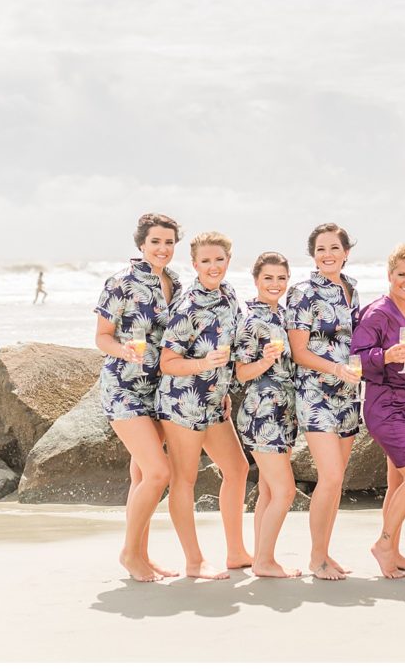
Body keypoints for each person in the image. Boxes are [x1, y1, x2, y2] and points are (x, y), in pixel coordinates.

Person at [157, 231, 252, 580]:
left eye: (219, 259)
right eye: (206, 261)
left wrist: (223, 384)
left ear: (228, 260)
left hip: (214, 401)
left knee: (238, 469)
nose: (213, 266)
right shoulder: (188, 307)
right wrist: (203, 365)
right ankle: (194, 561)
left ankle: (237, 551)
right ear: (195, 264)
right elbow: (168, 362)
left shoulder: (229, 295)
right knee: (185, 480)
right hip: (182, 402)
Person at [94, 213, 182, 582]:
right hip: (124, 387)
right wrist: (123, 351)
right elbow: (101, 336)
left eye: (169, 242)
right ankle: (129, 552)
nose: (162, 249)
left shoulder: (175, 283)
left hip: (158, 388)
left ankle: (142, 555)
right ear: (141, 245)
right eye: (156, 242)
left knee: (142, 473)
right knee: (160, 472)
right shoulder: (121, 283)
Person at [351, 244, 405, 579]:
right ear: (389, 276)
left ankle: (395, 550)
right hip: (386, 406)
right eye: (402, 274)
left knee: (397, 480)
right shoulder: (377, 313)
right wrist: (385, 356)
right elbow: (356, 359)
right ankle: (383, 544)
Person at [286, 222, 362, 580]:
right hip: (315, 392)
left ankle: (326, 554)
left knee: (338, 479)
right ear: (313, 255)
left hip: (348, 392)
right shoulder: (303, 292)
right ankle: (316, 559)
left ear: (346, 252)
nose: (328, 255)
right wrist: (335, 369)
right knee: (329, 476)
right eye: (320, 249)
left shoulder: (352, 290)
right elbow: (299, 352)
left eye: (334, 248)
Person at [234, 252, 301, 578]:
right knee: (285, 491)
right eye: (268, 278)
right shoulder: (251, 319)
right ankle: (264, 561)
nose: (275, 284)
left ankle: (262, 555)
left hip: (285, 412)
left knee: (268, 490)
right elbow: (241, 373)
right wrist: (264, 361)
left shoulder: (287, 316)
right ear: (256, 279)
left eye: (281, 278)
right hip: (263, 413)